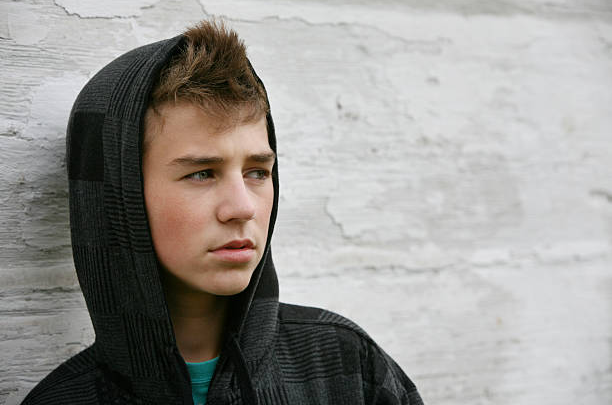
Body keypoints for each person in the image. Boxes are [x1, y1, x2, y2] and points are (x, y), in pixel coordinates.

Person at [22, 20, 424, 405]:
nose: (243, 207)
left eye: (257, 172)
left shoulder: (347, 367)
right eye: (201, 173)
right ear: (118, 195)